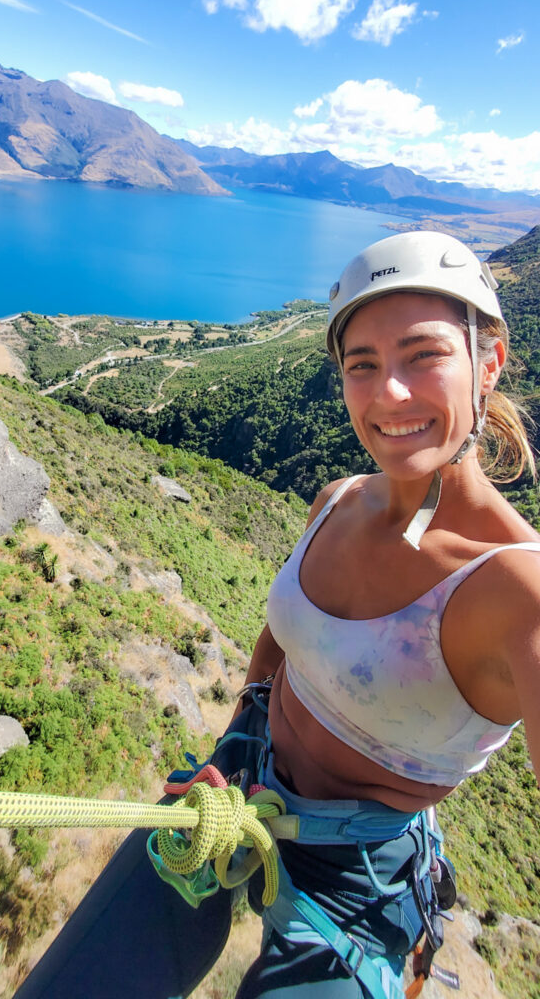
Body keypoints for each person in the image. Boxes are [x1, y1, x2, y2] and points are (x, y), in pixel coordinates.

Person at [226, 230, 540, 999]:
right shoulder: (336, 498)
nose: (387, 394)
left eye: (423, 354)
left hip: (351, 891)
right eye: (360, 365)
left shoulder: (517, 590)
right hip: (243, 778)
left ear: (487, 363)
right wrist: (240, 727)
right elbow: (285, 635)